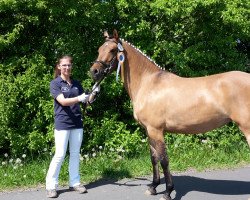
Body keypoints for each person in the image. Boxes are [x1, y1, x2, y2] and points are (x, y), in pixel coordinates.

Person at [46, 55, 100, 198]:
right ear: (59, 67)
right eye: (64, 65)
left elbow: (86, 102)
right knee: (60, 155)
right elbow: (63, 101)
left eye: (69, 65)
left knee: (75, 154)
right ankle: (51, 186)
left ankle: (75, 183)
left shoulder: (76, 84)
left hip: (77, 123)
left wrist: (93, 94)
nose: (67, 68)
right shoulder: (55, 83)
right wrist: (79, 98)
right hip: (62, 123)